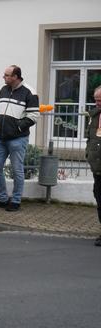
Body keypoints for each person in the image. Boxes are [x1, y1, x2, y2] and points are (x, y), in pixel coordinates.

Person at [0, 65, 39, 212]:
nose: (3, 77)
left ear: (15, 77)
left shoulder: (30, 92)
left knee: (17, 170)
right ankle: (3, 198)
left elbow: (34, 115)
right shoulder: (3, 90)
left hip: (18, 138)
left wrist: (18, 127)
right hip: (1, 137)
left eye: (6, 75)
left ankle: (16, 200)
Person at [86, 85, 101, 247]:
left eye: (100, 100)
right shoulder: (94, 116)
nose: (97, 103)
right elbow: (90, 139)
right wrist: (88, 154)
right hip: (97, 166)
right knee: (99, 197)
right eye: (96, 100)